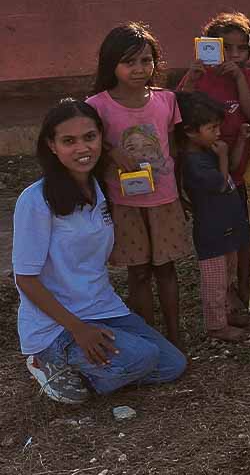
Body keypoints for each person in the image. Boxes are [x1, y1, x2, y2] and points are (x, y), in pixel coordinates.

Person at [14, 99, 187, 404]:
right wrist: (78, 328)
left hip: (104, 310)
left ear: (101, 139)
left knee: (173, 364)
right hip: (58, 325)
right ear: (52, 146)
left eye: (90, 137)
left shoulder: (101, 189)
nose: (82, 148)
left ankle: (93, 371)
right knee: (142, 356)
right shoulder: (35, 201)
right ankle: (52, 364)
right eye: (69, 141)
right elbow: (26, 279)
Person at [86, 23, 187, 347]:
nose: (140, 69)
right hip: (124, 202)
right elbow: (89, 148)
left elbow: (173, 149)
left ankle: (174, 334)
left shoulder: (166, 100)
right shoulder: (97, 106)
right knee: (139, 271)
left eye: (146, 60)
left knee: (166, 269)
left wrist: (182, 194)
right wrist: (112, 152)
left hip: (164, 199)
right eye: (129, 62)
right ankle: (149, 338)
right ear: (112, 65)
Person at [177, 11, 250, 314]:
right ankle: (221, 289)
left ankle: (243, 287)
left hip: (240, 165)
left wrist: (240, 77)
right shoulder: (200, 76)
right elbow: (177, 112)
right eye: (227, 48)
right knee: (216, 231)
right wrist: (191, 77)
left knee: (242, 232)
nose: (235, 55)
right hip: (206, 169)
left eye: (242, 49)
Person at [177, 92, 250, 344]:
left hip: (225, 224)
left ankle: (227, 312)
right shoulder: (193, 162)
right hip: (212, 229)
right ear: (190, 131)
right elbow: (221, 183)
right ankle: (216, 325)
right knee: (215, 279)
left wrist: (237, 141)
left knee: (227, 272)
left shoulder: (204, 150)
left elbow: (229, 168)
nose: (218, 133)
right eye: (212, 128)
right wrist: (221, 156)